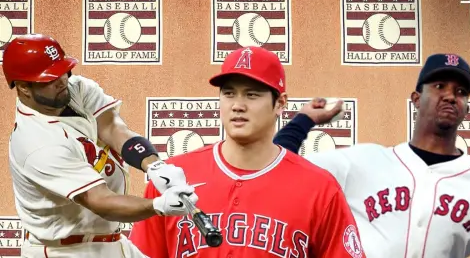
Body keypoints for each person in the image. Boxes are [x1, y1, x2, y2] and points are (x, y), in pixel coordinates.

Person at [128, 46, 366, 258]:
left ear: (280, 103)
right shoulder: (172, 178)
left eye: (252, 94)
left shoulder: (319, 188)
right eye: (229, 93)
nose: (237, 105)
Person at [272, 53, 470, 258]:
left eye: (461, 92)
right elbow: (278, 168)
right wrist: (304, 120)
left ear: (467, 108)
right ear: (417, 99)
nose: (450, 96)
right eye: (440, 86)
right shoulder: (364, 161)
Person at [3, 33, 198, 258]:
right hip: (65, 250)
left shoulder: (74, 90)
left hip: (110, 241)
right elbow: (100, 201)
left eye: (63, 71)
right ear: (24, 87)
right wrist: (158, 205)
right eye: (50, 78)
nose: (62, 81)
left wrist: (154, 166)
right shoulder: (36, 143)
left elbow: (113, 129)